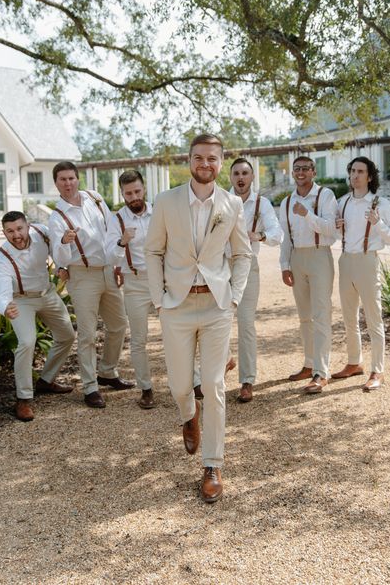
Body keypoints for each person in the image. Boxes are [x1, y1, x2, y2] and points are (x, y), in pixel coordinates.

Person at [145, 133, 252, 503]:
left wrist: (234, 298)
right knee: (178, 386)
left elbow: (242, 255)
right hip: (175, 306)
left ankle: (213, 464)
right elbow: (152, 252)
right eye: (198, 158)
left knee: (214, 384)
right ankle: (188, 414)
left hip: (216, 306)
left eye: (212, 159)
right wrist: (159, 300)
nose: (205, 164)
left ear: (220, 163)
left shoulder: (232, 204)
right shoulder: (165, 201)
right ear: (188, 160)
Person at [48, 161, 134, 409]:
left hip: (108, 270)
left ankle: (107, 371)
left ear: (78, 179)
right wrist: (64, 241)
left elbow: (110, 230)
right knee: (87, 335)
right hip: (82, 275)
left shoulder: (94, 198)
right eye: (62, 179)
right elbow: (60, 258)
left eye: (71, 178)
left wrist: (117, 263)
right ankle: (90, 387)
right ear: (56, 183)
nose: (68, 183)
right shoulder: (57, 217)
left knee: (118, 324)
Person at [0, 211, 75, 421]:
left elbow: (59, 250)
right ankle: (23, 398)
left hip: (47, 294)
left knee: (67, 336)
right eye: (10, 231)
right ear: (4, 233)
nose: (16, 235)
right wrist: (5, 306)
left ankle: (46, 381)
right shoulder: (1, 257)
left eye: (19, 228)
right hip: (20, 300)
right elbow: (2, 291)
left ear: (28, 226)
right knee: (27, 342)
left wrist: (62, 266)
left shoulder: (42, 232)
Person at [333, 156, 390, 391]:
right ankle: (354, 362)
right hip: (345, 261)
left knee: (374, 318)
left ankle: (377, 370)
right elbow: (332, 234)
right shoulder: (342, 203)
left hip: (368, 262)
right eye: (352, 171)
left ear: (370, 176)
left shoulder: (380, 203)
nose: (355, 175)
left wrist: (378, 223)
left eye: (360, 171)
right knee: (349, 318)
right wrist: (335, 226)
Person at [279, 157, 337, 394]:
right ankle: (309, 363)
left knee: (321, 315)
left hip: (319, 255)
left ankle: (321, 372)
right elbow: (285, 236)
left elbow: (330, 229)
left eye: (305, 169)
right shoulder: (286, 202)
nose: (301, 172)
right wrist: (284, 265)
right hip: (297, 258)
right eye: (297, 169)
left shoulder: (325, 196)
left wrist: (306, 214)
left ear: (313, 172)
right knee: (304, 317)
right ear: (293, 173)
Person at [228, 157, 282, 402]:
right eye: (236, 173)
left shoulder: (262, 203)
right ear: (230, 177)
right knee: (212, 323)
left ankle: (247, 380)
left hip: (248, 266)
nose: (240, 178)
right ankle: (215, 372)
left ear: (252, 177)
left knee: (246, 323)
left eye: (245, 173)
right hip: (218, 268)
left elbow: (277, 234)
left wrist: (258, 235)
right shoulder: (219, 200)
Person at [105, 170, 156, 410]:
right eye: (128, 193)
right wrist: (122, 241)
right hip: (134, 283)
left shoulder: (159, 212)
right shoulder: (117, 220)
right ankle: (146, 388)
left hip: (162, 281)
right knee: (138, 340)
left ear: (143, 189)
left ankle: (194, 381)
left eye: (137, 191)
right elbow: (109, 256)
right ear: (122, 194)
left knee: (179, 333)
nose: (134, 197)